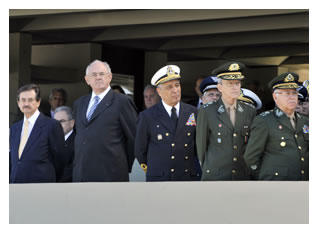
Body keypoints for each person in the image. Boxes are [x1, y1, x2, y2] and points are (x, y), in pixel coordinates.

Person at [72, 60, 137, 182]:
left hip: (111, 173)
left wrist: (122, 165)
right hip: (81, 174)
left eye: (102, 74)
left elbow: (133, 138)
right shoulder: (79, 103)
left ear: (109, 77)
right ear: (87, 80)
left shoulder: (122, 102)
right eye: (94, 74)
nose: (98, 77)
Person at [135, 65, 201, 181]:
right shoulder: (147, 116)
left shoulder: (193, 112)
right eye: (169, 87)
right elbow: (140, 151)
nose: (175, 90)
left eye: (177, 85)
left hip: (186, 177)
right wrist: (155, 170)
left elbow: (198, 147)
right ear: (159, 91)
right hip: (160, 178)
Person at [196, 61, 256, 180]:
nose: (234, 87)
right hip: (216, 175)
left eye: (237, 83)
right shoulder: (207, 111)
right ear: (220, 87)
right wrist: (209, 168)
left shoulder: (249, 110)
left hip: (241, 174)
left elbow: (252, 145)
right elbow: (201, 146)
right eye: (229, 83)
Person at [243, 72, 309, 180]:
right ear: (275, 97)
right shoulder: (264, 121)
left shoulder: (305, 121)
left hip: (303, 183)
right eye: (286, 93)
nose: (292, 97)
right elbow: (250, 158)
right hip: (276, 184)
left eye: (294, 93)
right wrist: (265, 176)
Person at [9, 84, 67, 183]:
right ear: (18, 103)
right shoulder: (14, 128)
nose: (26, 103)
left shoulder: (51, 125)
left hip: (40, 186)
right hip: (16, 185)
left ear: (38, 102)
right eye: (23, 100)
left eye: (30, 100)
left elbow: (60, 160)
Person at [53, 106, 75, 182]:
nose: (57, 125)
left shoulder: (77, 141)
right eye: (55, 122)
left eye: (61, 121)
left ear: (72, 123)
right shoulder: (49, 140)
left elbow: (72, 169)